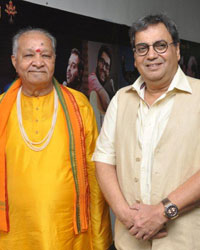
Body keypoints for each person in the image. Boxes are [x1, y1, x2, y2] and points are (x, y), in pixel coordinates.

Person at [93, 13, 200, 250]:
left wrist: (163, 212)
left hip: (187, 242)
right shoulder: (121, 99)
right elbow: (103, 160)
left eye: (160, 45)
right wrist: (126, 215)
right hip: (129, 240)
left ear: (177, 50)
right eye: (142, 48)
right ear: (134, 57)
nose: (151, 55)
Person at [0, 27, 112, 250]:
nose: (38, 62)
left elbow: (95, 174)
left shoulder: (79, 105)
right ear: (14, 61)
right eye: (29, 55)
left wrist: (100, 240)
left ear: (54, 60)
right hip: (13, 235)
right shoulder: (2, 106)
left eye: (46, 55)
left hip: (69, 236)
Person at [88, 45, 114, 112]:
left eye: (107, 66)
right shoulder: (92, 79)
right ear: (97, 62)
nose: (103, 68)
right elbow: (107, 103)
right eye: (102, 62)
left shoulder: (105, 86)